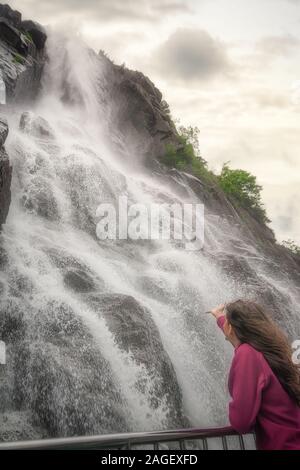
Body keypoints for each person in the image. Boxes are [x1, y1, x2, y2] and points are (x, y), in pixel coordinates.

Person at [210, 300, 300, 450]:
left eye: (225, 321)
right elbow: (233, 331)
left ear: (231, 328)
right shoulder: (270, 349)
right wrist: (219, 316)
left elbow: (241, 422)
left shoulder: (247, 354)